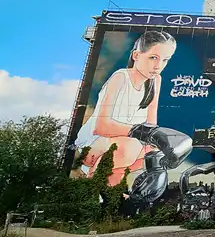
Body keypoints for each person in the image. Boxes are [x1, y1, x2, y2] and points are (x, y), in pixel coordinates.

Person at [74, 30, 192, 202]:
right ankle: (92, 187)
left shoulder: (155, 80)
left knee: (154, 156)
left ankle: (113, 193)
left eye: (165, 60)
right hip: (93, 143)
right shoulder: (120, 77)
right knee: (130, 146)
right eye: (153, 57)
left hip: (125, 144)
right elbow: (101, 126)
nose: (158, 65)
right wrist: (144, 133)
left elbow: (151, 123)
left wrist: (158, 160)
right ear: (136, 55)